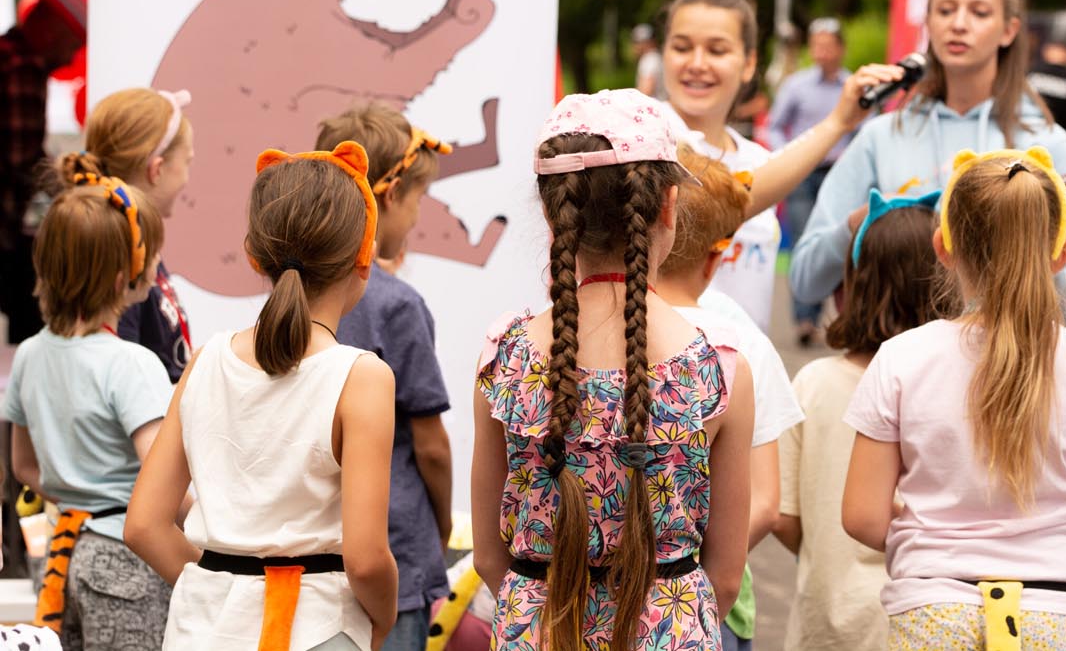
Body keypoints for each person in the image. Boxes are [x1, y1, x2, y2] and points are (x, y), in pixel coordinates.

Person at [471, 89, 754, 651]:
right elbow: (725, 575)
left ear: (553, 214)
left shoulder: (505, 357)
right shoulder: (718, 370)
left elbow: (487, 557)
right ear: (668, 207)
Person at [842, 147, 1066, 651]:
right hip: (1054, 612)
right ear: (1062, 253)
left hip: (933, 607)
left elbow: (862, 517)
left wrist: (930, 535)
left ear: (943, 247)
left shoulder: (900, 358)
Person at [125, 141, 399, 650]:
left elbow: (143, 524)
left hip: (200, 632)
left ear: (255, 255)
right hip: (319, 629)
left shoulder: (205, 362)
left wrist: (223, 589)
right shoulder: (362, 378)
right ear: (363, 257)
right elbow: (365, 559)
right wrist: (382, 618)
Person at [790, 0, 1066, 322]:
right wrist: (860, 226)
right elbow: (805, 281)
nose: (959, 24)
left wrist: (1014, 234)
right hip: (895, 354)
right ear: (928, 22)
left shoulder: (1048, 144)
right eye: (946, 10)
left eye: (979, 12)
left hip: (1002, 357)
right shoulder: (881, 136)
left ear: (1009, 30)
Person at [657, 0, 906, 331]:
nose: (697, 64)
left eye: (717, 50)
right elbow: (725, 203)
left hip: (747, 363)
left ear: (749, 63)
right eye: (682, 47)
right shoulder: (644, 137)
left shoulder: (759, 161)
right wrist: (836, 123)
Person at [4, 162, 175, 649]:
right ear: (124, 277)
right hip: (125, 559)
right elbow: (162, 478)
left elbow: (23, 465)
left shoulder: (30, 354)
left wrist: (78, 494)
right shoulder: (132, 364)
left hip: (61, 554)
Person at [776, 188, 952, 651]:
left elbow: (784, 516)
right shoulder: (956, 384)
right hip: (929, 617)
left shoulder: (812, 383)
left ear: (852, 282)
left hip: (827, 622)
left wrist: (825, 549)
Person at [653, 146, 804, 651]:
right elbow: (765, 503)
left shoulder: (585, 324)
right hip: (710, 605)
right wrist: (700, 576)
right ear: (718, 256)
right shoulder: (740, 343)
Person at [316, 104, 455, 651]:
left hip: (312, 552)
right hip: (392, 553)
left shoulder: (292, 296)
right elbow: (431, 447)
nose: (418, 217)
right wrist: (441, 528)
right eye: (419, 199)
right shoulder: (398, 305)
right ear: (391, 196)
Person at [70, 88, 195, 381]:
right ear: (157, 170)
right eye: (187, 162)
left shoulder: (137, 243)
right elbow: (118, 378)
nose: (187, 178)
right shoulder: (123, 258)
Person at [0, 0, 82, 345]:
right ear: (50, 31)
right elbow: (23, 158)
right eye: (72, 45)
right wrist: (76, 188)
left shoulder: (7, 54)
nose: (70, 59)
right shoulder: (23, 66)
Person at [768, 17, 855, 345]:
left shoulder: (853, 86)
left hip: (839, 174)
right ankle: (805, 320)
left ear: (840, 48)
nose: (822, 51)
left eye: (828, 45)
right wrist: (790, 153)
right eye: (817, 45)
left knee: (839, 241)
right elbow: (774, 126)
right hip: (802, 173)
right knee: (804, 240)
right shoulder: (796, 85)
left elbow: (866, 129)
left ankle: (841, 317)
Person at [632, 24, 665, 99]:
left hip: (652, 104)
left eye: (637, 42)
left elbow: (645, 91)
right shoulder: (657, 57)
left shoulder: (649, 60)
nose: (635, 46)